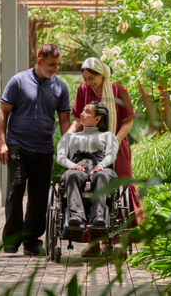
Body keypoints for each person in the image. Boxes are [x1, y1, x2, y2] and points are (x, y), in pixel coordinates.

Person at [0, 44, 71, 256]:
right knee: (15, 190)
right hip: (18, 144)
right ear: (39, 61)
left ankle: (31, 241)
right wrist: (2, 143)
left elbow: (64, 121)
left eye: (58, 64)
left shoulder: (61, 88)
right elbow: (3, 114)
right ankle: (11, 240)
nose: (55, 68)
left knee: (39, 196)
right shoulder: (18, 81)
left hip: (44, 148)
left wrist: (68, 146)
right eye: (51, 64)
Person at [67, 57, 144, 253]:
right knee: (90, 187)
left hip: (117, 146)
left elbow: (127, 121)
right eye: (85, 78)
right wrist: (69, 134)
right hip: (89, 146)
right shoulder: (83, 91)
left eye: (91, 78)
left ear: (102, 75)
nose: (87, 83)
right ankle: (93, 242)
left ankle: (111, 240)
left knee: (119, 191)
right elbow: (78, 119)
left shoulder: (120, 91)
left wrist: (114, 141)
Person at [57, 101, 119, 231]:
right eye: (83, 110)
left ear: (97, 118)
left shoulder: (108, 135)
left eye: (87, 112)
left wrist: (101, 165)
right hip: (77, 167)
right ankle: (76, 217)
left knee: (100, 175)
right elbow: (60, 157)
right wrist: (72, 165)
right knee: (71, 174)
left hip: (102, 168)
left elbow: (111, 155)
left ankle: (98, 217)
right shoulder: (69, 136)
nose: (82, 114)